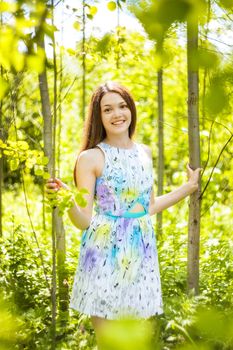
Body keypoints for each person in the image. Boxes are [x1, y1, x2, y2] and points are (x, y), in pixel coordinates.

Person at [45, 81, 201, 347]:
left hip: (140, 254)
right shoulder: (90, 158)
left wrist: (189, 187)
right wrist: (68, 201)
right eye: (108, 109)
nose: (117, 114)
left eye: (122, 106)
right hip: (104, 253)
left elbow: (147, 207)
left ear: (131, 109)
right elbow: (83, 221)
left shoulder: (144, 153)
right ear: (99, 116)